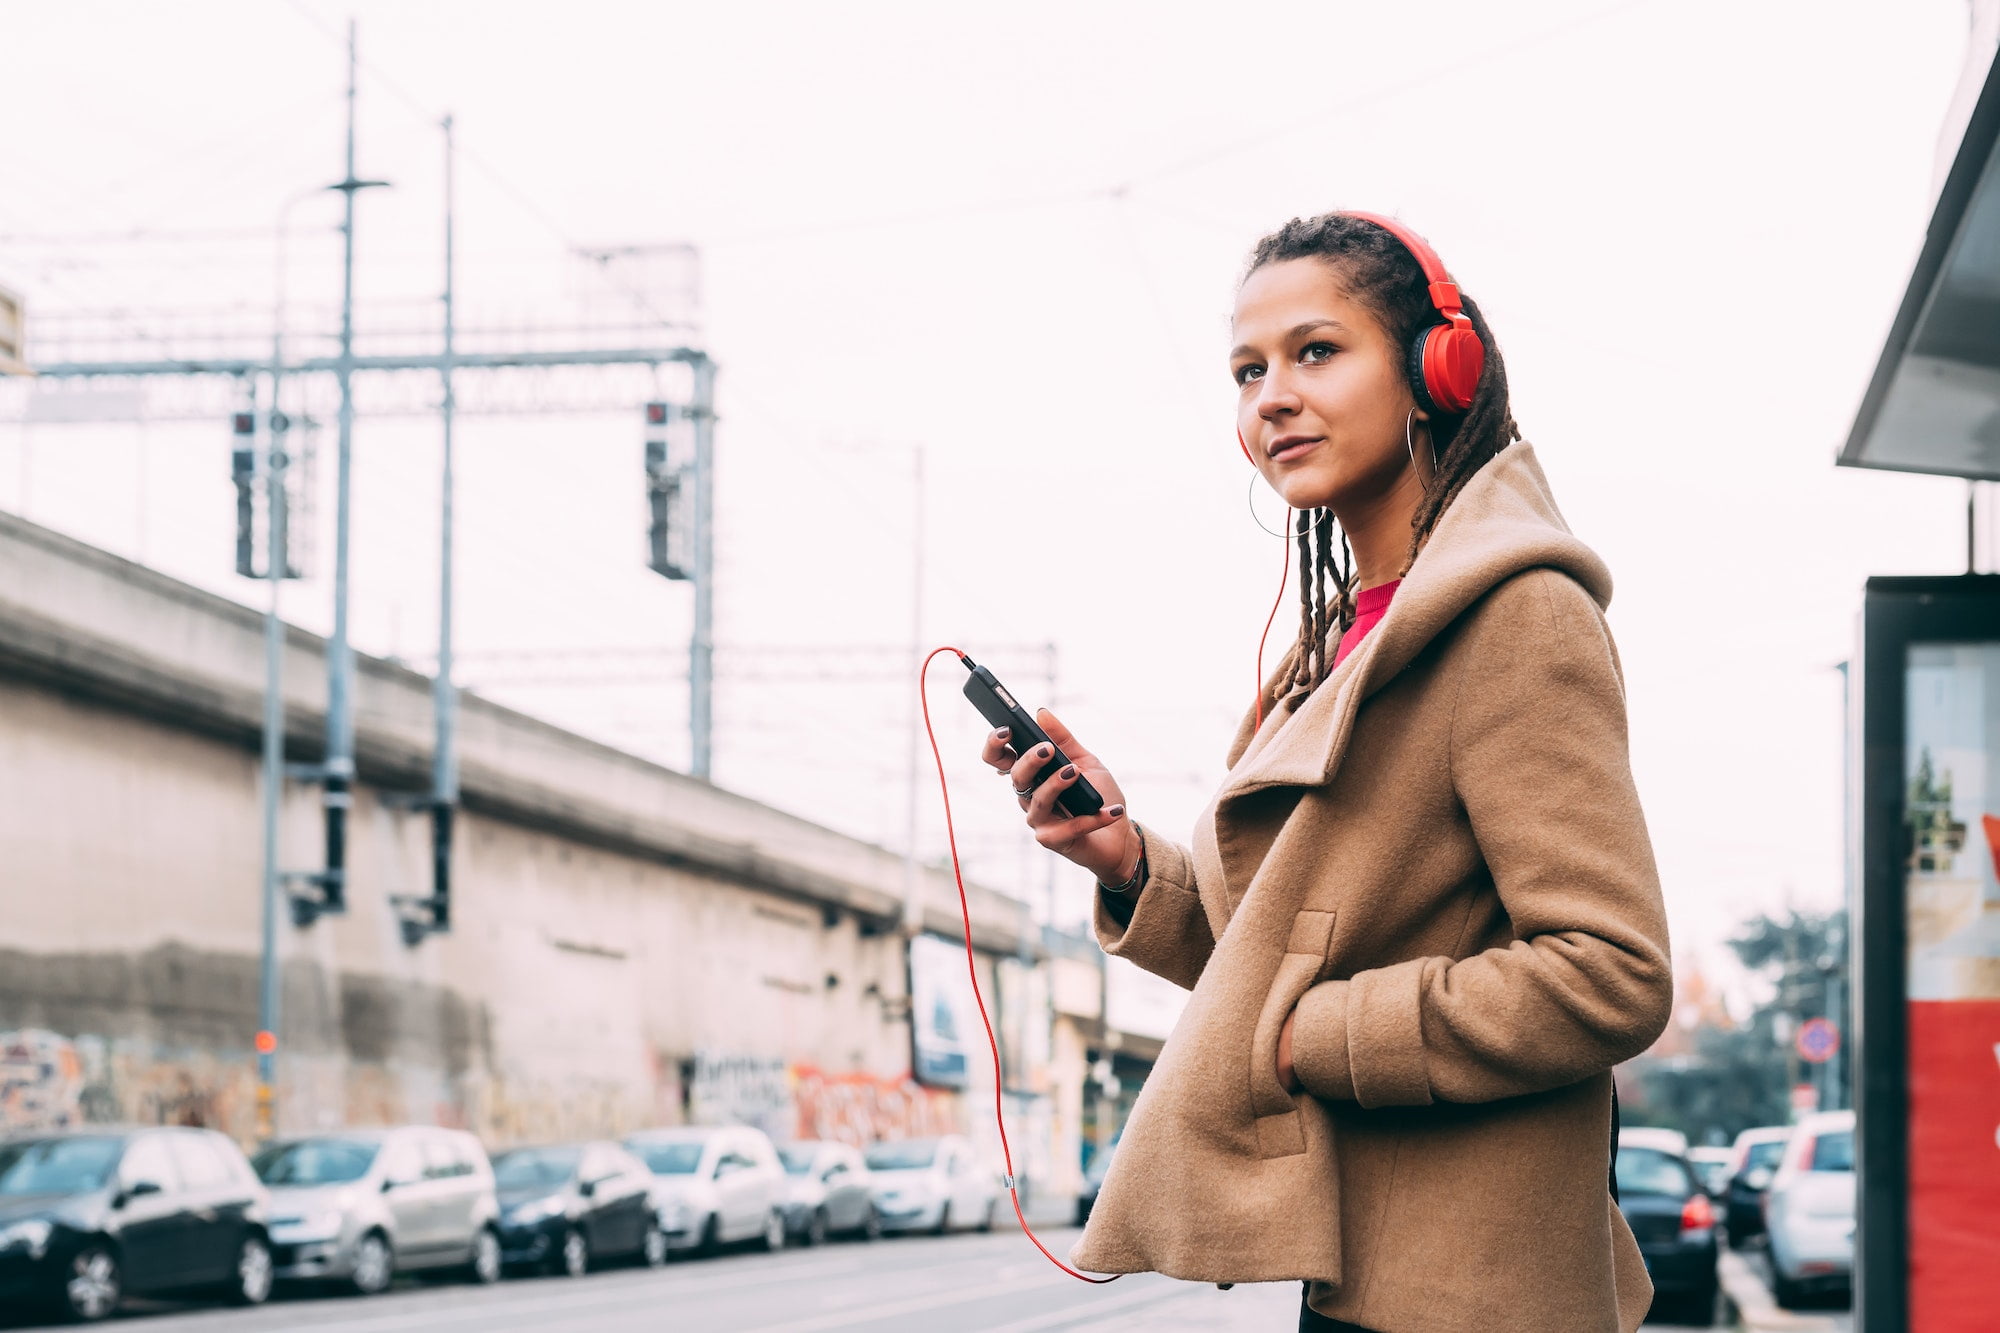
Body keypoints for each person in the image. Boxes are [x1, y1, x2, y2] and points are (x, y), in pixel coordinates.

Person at [977, 211, 1672, 1332]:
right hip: (1365, 1273)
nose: (1270, 397)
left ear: (1434, 371)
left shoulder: (1514, 617)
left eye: (1315, 351)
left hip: (1476, 1289)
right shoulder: (1333, 645)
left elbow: (1608, 973)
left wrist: (1315, 1040)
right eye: (1247, 370)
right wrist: (1127, 865)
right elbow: (1288, 951)